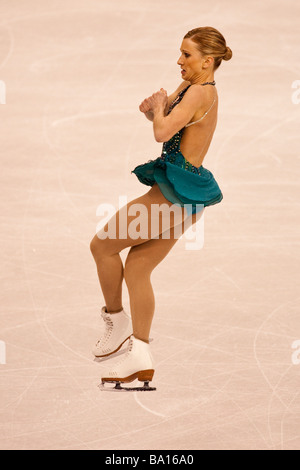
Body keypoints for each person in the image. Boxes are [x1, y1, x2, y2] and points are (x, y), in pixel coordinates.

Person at [90, 26, 232, 390]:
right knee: (136, 270)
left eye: (187, 54)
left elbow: (163, 131)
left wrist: (157, 112)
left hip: (172, 194)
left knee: (102, 245)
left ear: (208, 60)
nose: (180, 61)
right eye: (180, 53)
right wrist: (154, 110)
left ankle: (117, 319)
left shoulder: (200, 91)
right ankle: (140, 356)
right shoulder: (192, 88)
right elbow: (170, 123)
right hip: (185, 196)